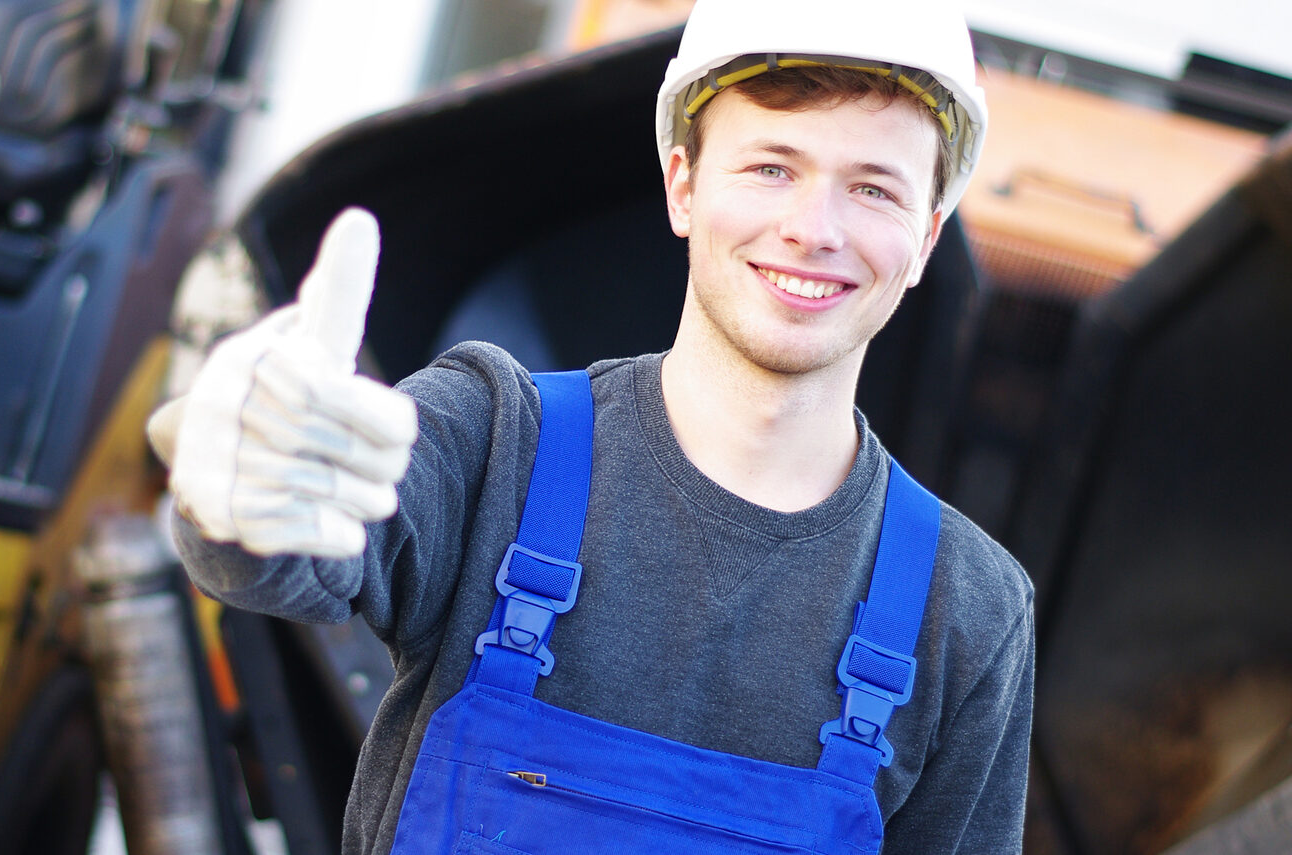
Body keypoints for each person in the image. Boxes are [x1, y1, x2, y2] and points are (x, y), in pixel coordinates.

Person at [149, 0, 1034, 852]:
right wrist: (236, 474)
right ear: (683, 186)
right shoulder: (498, 440)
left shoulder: (967, 611)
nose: (813, 228)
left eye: (874, 190)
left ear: (925, 237)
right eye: (772, 167)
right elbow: (289, 557)